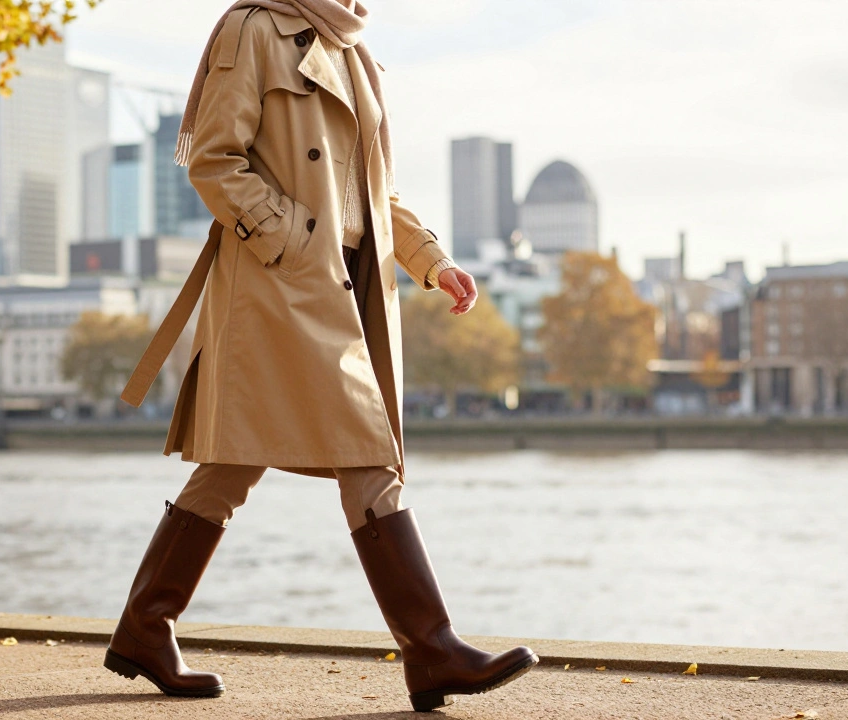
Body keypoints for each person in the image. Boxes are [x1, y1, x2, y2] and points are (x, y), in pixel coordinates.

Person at [104, 0, 538, 712]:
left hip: (344, 285)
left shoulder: (355, 52)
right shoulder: (254, 28)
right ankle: (431, 648)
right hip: (279, 284)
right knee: (368, 452)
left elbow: (374, 195)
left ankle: (144, 628)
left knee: (234, 462)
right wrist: (293, 239)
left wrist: (432, 261)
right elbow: (214, 161)